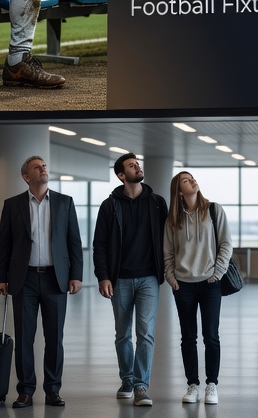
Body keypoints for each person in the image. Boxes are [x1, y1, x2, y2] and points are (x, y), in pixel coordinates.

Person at [0, 155, 83, 409]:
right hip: (25, 280)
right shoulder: (13, 205)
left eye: (44, 166)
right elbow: (6, 245)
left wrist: (76, 275)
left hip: (56, 279)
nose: (43, 169)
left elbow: (74, 242)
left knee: (55, 338)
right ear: (26, 177)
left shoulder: (65, 203)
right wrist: (1, 278)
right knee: (24, 339)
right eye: (37, 167)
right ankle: (25, 391)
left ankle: (53, 390)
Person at [94, 152, 168, 407]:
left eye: (138, 164)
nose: (138, 167)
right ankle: (127, 379)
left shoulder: (157, 203)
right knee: (123, 334)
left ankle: (141, 386)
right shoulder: (110, 205)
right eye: (131, 165)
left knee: (145, 333)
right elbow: (100, 244)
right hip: (120, 279)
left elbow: (168, 239)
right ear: (121, 175)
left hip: (149, 277)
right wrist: (103, 276)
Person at [164, 172, 232, 406]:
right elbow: (168, 252)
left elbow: (225, 243)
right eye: (186, 180)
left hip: (210, 283)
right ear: (179, 191)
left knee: (211, 336)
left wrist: (218, 272)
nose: (192, 181)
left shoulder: (213, 210)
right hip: (182, 285)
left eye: (192, 178)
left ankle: (211, 384)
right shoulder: (173, 219)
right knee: (188, 337)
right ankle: (193, 385)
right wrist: (171, 277)